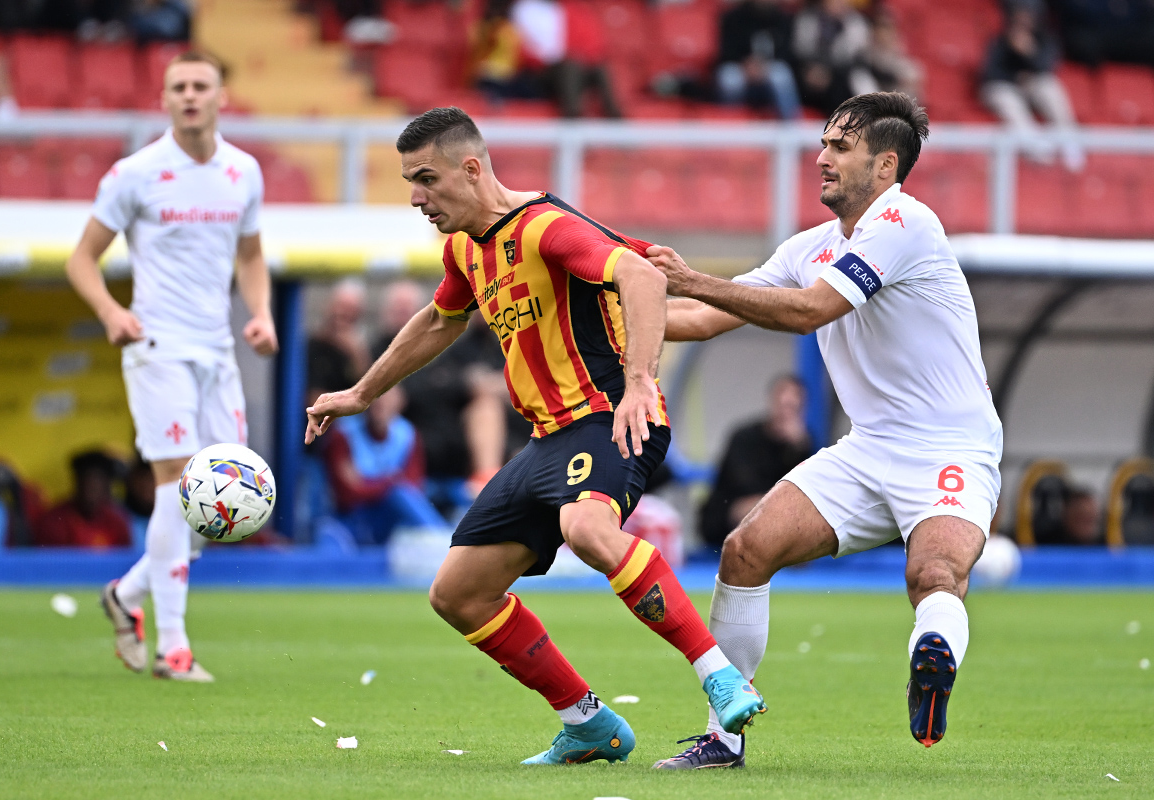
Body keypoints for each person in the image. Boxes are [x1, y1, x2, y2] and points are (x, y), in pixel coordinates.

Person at [305, 107, 765, 766]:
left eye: (426, 179)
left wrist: (639, 381)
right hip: (548, 440)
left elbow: (641, 276)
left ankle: (719, 675)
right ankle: (588, 724)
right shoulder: (464, 248)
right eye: (410, 182)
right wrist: (361, 393)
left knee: (587, 530)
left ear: (471, 168)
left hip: (609, 415)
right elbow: (438, 322)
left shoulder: (547, 227)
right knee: (458, 593)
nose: (415, 197)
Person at [646, 92, 1003, 767]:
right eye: (824, 143)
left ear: (885, 163)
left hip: (951, 446)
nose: (822, 157)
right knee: (743, 552)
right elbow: (700, 319)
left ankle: (932, 663)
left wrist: (692, 278)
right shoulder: (809, 246)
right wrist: (604, 306)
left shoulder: (906, 221)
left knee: (933, 571)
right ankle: (725, 737)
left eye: (841, 146)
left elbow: (809, 311)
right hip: (869, 450)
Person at [64, 50, 277, 682]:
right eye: (178, 86)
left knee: (224, 504)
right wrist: (110, 311)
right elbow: (81, 258)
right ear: (164, 99)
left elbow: (252, 255)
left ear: (220, 96)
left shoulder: (244, 172)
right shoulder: (136, 172)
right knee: (174, 485)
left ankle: (127, 596)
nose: (189, 95)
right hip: (156, 347)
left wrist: (261, 312)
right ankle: (172, 646)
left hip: (217, 350)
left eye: (200, 85)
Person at [320, 386, 447, 544]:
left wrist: (369, 484)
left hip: (390, 519)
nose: (380, 403)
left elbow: (414, 488)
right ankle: (443, 539)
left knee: (405, 495)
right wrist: (389, 482)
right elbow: (347, 493)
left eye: (387, 396)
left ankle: (442, 538)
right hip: (351, 519)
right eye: (375, 396)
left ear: (401, 402)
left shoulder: (408, 434)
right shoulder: (343, 433)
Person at [698, 375, 812, 550]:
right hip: (728, 512)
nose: (786, 414)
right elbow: (744, 484)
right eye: (783, 406)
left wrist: (797, 450)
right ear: (773, 401)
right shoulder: (744, 437)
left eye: (792, 408)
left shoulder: (801, 445)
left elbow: (807, 489)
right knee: (759, 508)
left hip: (779, 513)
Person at [981, 0, 1084, 170]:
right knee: (1007, 100)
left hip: (1032, 87)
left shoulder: (1045, 39)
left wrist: (1028, 52)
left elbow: (1046, 66)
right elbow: (989, 77)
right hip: (1006, 88)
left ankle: (1069, 142)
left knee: (1049, 86)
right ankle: (1036, 147)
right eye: (1019, 14)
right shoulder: (999, 41)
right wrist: (1015, 73)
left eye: (1027, 14)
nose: (1023, 19)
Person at [715, 0, 802, 119]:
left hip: (770, 67)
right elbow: (726, 51)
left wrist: (763, 66)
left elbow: (787, 53)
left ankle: (790, 127)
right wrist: (746, 64)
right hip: (741, 67)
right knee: (729, 79)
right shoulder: (733, 17)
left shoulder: (784, 19)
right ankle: (729, 126)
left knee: (782, 74)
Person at [791, 0, 875, 115]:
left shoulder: (856, 23)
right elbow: (800, 51)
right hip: (810, 72)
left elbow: (853, 58)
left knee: (857, 79)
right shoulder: (808, 19)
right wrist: (812, 69)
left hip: (840, 74)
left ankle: (869, 116)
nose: (839, 3)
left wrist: (828, 71)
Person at [35, 451, 131, 549]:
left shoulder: (117, 521)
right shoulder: (55, 520)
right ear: (78, 481)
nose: (92, 485)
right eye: (88, 478)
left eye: (98, 479)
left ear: (107, 485)